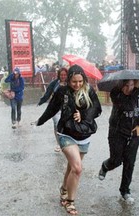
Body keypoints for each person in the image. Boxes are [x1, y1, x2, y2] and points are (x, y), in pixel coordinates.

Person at [35, 65, 102, 215]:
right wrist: (40, 121)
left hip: (84, 135)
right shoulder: (62, 91)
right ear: (69, 79)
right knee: (77, 168)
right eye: (74, 82)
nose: (77, 85)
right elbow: (52, 109)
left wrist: (83, 115)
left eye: (80, 81)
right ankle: (70, 202)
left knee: (71, 168)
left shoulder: (89, 90)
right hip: (66, 133)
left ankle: (64, 189)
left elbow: (97, 109)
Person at [98, 79, 139, 203]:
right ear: (121, 85)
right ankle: (105, 166)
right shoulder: (116, 93)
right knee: (116, 160)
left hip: (134, 131)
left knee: (129, 162)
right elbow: (125, 104)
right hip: (117, 131)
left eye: (131, 85)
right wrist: (135, 89)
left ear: (135, 83)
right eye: (125, 85)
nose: (128, 89)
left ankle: (125, 190)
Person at [37, 67, 68, 152]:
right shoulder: (54, 83)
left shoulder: (69, 83)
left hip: (66, 108)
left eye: (65, 75)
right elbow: (48, 93)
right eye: (61, 75)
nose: (63, 76)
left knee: (66, 126)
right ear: (59, 75)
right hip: (55, 108)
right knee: (57, 125)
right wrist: (42, 101)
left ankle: (66, 142)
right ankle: (59, 143)